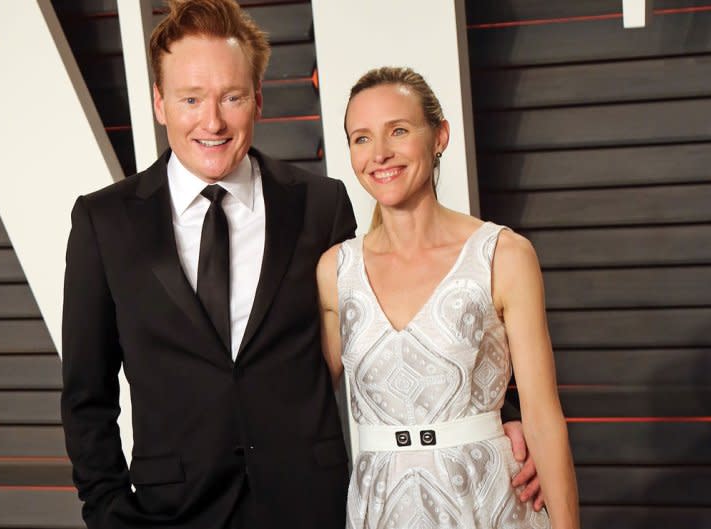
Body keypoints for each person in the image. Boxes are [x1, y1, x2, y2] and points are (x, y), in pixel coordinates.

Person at [61, 0, 541, 527]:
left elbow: (389, 322)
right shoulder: (103, 221)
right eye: (191, 98)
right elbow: (88, 394)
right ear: (160, 103)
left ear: (259, 100)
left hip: (312, 506)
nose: (212, 121)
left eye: (232, 97)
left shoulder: (319, 206)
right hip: (171, 512)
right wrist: (108, 513)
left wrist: (503, 416)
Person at [317, 67, 579, 529]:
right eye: (361, 138)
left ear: (439, 136)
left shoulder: (504, 255)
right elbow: (302, 400)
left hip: (490, 499)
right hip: (380, 509)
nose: (379, 154)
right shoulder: (336, 270)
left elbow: (542, 414)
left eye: (398, 130)